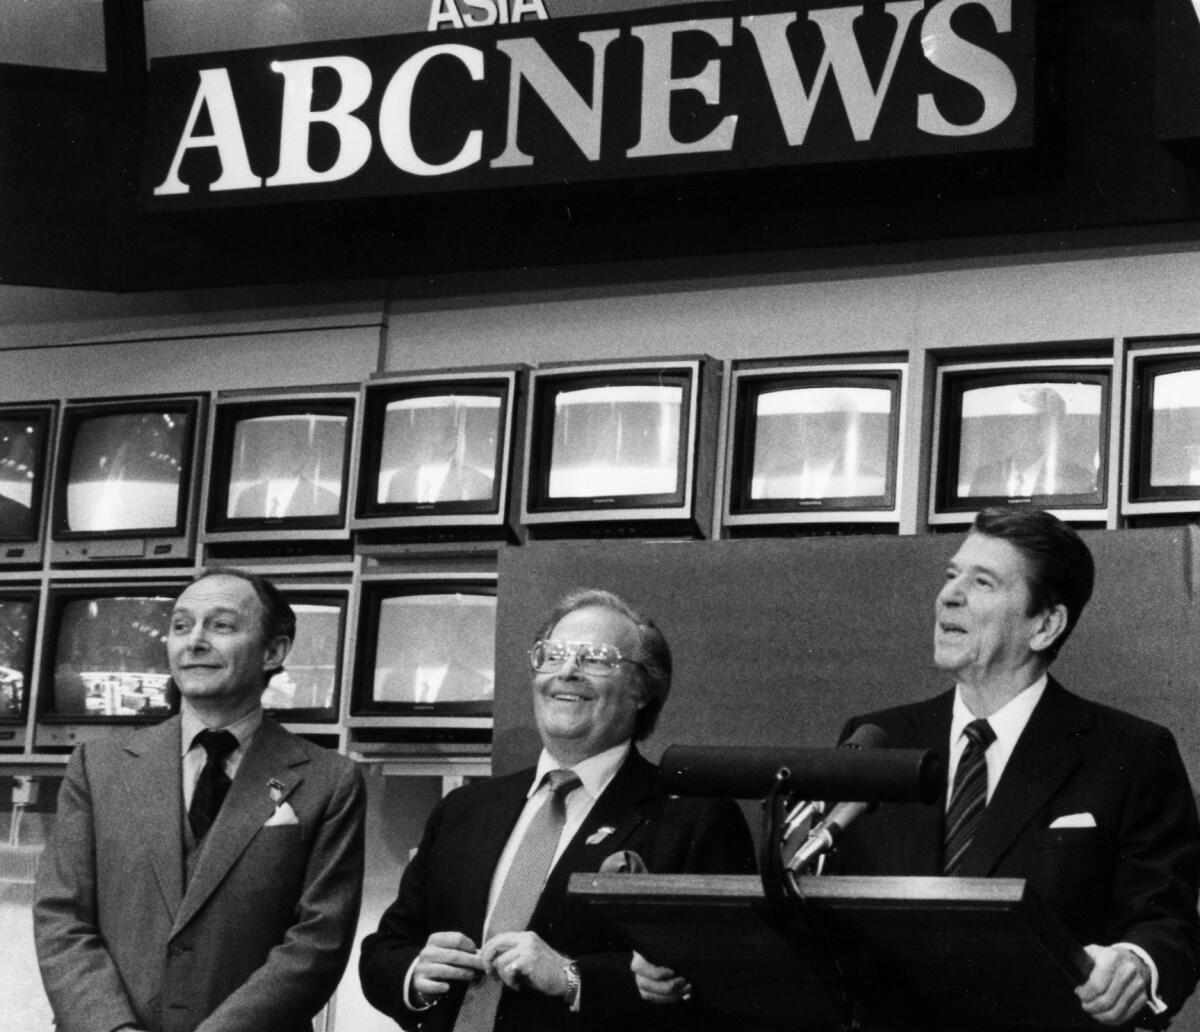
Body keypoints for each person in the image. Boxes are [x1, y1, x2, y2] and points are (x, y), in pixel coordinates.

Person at [828, 507, 1200, 1028]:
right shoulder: (876, 742)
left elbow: (1166, 922)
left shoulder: (1131, 753)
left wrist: (1135, 964)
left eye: (982, 582)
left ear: (1045, 624)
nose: (949, 596)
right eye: (951, 575)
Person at [358, 587, 756, 1032]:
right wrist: (416, 973)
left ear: (642, 689)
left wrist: (573, 978)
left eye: (596, 658)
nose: (567, 671)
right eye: (554, 655)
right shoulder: (464, 810)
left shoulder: (693, 820)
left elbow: (724, 988)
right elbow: (384, 950)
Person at [34, 568, 366, 1032]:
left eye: (222, 625)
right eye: (181, 625)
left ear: (273, 651)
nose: (194, 642)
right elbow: (61, 917)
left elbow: (318, 942)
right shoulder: (97, 766)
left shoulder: (331, 780)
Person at [967, 386, 1096, 498]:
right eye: (1014, 421)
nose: (1019, 429)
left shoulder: (1079, 480)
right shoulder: (984, 477)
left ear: (1055, 426)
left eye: (1032, 421)